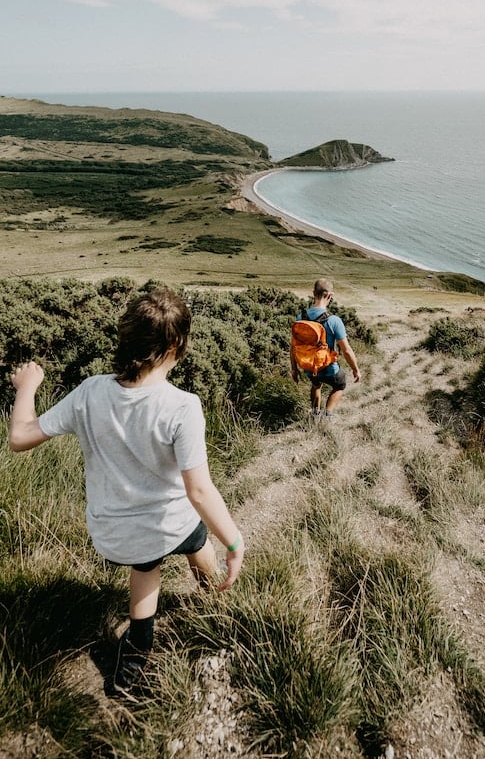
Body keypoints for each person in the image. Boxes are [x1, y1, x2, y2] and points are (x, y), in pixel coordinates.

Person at [8, 288, 244, 699]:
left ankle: (133, 662)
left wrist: (27, 386)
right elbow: (200, 492)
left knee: (145, 566)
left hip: (112, 534)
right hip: (168, 524)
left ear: (126, 338)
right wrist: (235, 541)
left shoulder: (90, 392)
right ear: (177, 345)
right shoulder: (183, 406)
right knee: (197, 535)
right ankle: (213, 591)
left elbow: (19, 437)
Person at [290, 277, 361, 416]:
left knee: (316, 385)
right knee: (340, 385)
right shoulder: (334, 320)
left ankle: (315, 413)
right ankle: (328, 415)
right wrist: (355, 369)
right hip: (328, 368)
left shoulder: (300, 318)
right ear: (329, 296)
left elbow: (293, 346)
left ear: (313, 293)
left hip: (309, 367)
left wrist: (294, 369)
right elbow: (346, 350)